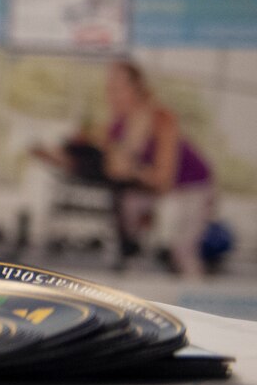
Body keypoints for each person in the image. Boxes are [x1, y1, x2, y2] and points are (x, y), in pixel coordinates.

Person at [37, 61, 214, 276]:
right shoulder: (118, 125)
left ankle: (192, 292)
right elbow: (93, 150)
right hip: (149, 189)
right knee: (127, 212)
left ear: (137, 88)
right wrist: (58, 155)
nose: (111, 94)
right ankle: (130, 267)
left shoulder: (162, 120)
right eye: (109, 88)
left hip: (192, 187)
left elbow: (163, 181)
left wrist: (131, 169)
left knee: (183, 252)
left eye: (118, 88)